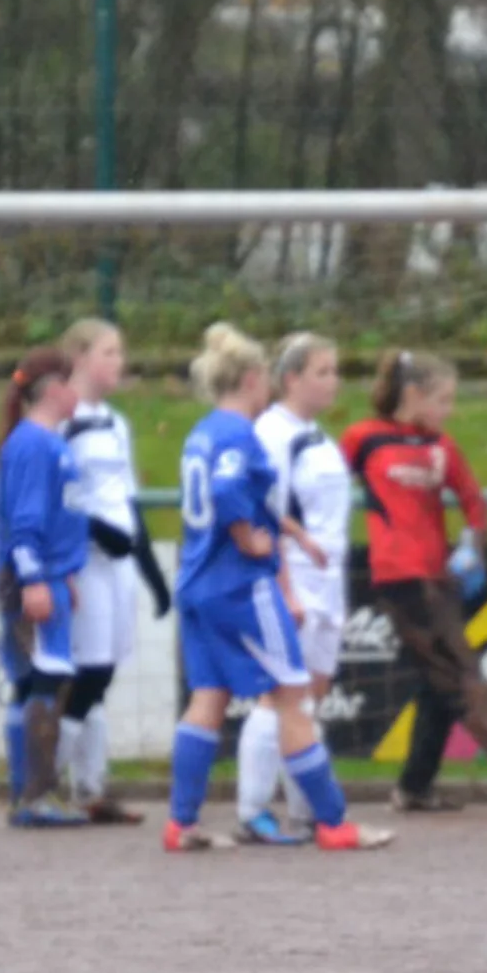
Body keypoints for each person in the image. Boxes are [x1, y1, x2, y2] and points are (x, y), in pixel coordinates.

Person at [165, 323, 392, 853]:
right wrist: (249, 538)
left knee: (208, 699)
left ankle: (181, 824)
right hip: (241, 586)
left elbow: (244, 495)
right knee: (293, 698)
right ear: (251, 378)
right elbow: (228, 492)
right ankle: (333, 823)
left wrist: (291, 533)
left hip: (197, 581)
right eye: (265, 375)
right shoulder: (242, 433)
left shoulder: (202, 432)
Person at [341, 350, 487, 812]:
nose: (448, 411)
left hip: (440, 577)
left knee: (440, 683)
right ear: (413, 395)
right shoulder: (362, 439)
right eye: (443, 400)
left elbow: (472, 499)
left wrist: (472, 542)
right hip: (400, 578)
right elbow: (321, 484)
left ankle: (414, 787)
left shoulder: (440, 447)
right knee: (465, 676)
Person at [235, 332, 352, 844]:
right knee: (279, 695)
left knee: (312, 696)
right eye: (322, 371)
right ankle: (252, 809)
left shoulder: (321, 436)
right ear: (291, 379)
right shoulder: (272, 433)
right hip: (296, 576)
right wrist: (285, 588)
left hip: (330, 577)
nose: (333, 381)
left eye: (334, 370)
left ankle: (307, 809)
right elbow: (267, 513)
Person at [53, 317, 162, 825]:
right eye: (109, 352)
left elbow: (127, 502)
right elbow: (59, 498)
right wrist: (95, 530)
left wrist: (152, 571)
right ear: (79, 357)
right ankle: (47, 785)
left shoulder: (116, 423)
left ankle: (90, 788)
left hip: (118, 568)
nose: (119, 363)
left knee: (105, 673)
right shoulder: (61, 420)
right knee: (86, 670)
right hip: (83, 566)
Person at [0, 345, 93, 828]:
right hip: (32, 576)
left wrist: (65, 574)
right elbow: (26, 522)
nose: (78, 394)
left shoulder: (46, 442)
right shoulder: (35, 444)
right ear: (54, 389)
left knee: (37, 680)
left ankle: (30, 791)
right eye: (71, 383)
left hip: (51, 574)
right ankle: (34, 795)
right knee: (45, 679)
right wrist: (35, 579)